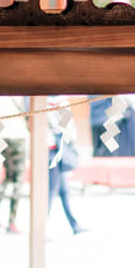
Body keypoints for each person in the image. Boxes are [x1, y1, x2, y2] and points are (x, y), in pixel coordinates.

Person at [46, 97, 86, 234]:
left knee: (63, 191)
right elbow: (67, 130)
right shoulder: (61, 103)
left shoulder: (43, 103)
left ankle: (74, 224)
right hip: (56, 150)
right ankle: (40, 229)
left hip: (51, 149)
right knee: (51, 192)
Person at [0, 97, 28, 234]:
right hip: (18, 136)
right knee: (18, 180)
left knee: (7, 176)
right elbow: (27, 111)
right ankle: (11, 222)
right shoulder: (19, 93)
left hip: (2, 137)